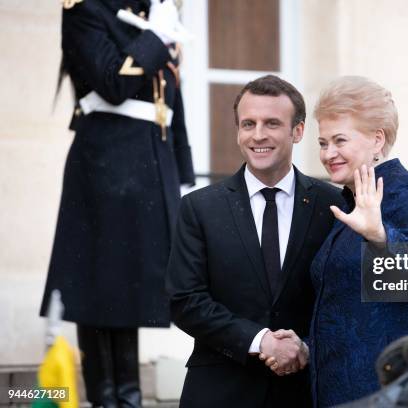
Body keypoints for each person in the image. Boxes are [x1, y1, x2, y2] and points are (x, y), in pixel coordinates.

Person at [39, 1, 195, 406]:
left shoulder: (150, 15)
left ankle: (129, 396)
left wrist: (182, 176)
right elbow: (112, 81)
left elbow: (171, 105)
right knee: (97, 284)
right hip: (105, 164)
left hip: (149, 166)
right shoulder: (86, 11)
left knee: (133, 288)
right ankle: (105, 396)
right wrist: (155, 40)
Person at [165, 75, 342, 407]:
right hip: (219, 390)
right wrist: (261, 341)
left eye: (272, 123)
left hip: (304, 391)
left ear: (298, 131)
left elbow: (342, 300)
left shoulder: (332, 205)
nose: (258, 135)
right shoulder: (200, 207)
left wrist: (305, 346)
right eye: (248, 124)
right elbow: (185, 301)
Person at [305, 76, 408, 407]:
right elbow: (349, 309)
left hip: (394, 393)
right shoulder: (349, 202)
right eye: (323, 142)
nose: (329, 153)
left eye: (340, 140)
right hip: (342, 391)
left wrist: (381, 237)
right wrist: (306, 344)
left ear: (377, 139)